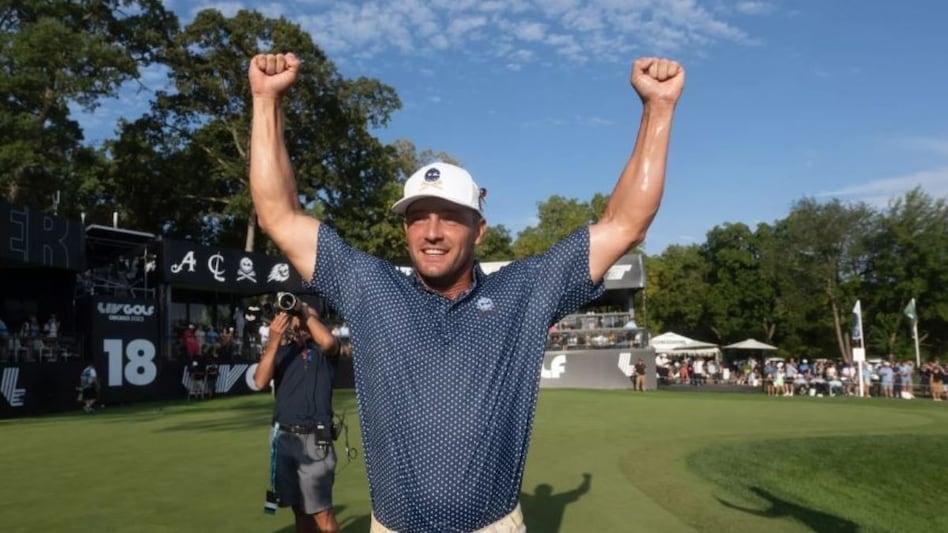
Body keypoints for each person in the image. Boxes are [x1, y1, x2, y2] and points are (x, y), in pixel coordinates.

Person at [249, 52, 683, 532]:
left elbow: (624, 224)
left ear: (479, 230)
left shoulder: (523, 292)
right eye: (418, 217)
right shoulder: (371, 289)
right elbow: (278, 216)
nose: (432, 232)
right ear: (405, 229)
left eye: (451, 217)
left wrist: (658, 108)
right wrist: (266, 100)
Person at [254, 300, 341, 533]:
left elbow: (328, 342)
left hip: (314, 438)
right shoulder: (282, 351)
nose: (300, 322)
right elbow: (260, 381)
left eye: (306, 318)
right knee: (299, 510)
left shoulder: (324, 353)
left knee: (321, 512)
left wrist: (304, 313)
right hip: (283, 438)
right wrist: (274, 341)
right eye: (297, 318)